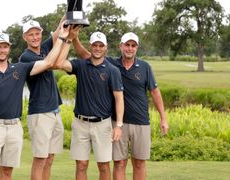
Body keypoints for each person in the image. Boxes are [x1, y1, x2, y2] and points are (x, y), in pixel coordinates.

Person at [0, 26, 70, 180]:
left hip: (14, 127)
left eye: (5, 47)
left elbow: (49, 62)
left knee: (7, 172)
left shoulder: (20, 69)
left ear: (9, 49)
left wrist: (64, 37)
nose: (2, 50)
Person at [72, 32, 169, 180]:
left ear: (137, 48)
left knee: (139, 163)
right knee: (119, 163)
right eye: (127, 45)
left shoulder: (144, 67)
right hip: (118, 123)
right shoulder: (111, 64)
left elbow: (155, 92)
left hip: (141, 121)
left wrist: (163, 118)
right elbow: (87, 54)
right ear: (120, 46)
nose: (130, 48)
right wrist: (74, 38)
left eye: (133, 46)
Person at [55, 31, 124, 180]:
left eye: (101, 45)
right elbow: (60, 63)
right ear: (90, 46)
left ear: (106, 47)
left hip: (103, 124)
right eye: (95, 45)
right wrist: (68, 40)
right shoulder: (80, 65)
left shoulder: (113, 70)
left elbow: (119, 99)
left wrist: (118, 125)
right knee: (81, 165)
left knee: (104, 166)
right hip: (80, 123)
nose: (98, 48)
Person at [18, 19, 73, 180]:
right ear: (25, 37)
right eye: (31, 35)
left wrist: (69, 11)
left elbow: (58, 30)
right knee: (40, 159)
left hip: (54, 111)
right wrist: (63, 38)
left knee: (50, 158)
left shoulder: (45, 48)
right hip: (40, 113)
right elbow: (49, 63)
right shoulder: (26, 57)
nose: (35, 37)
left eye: (37, 33)